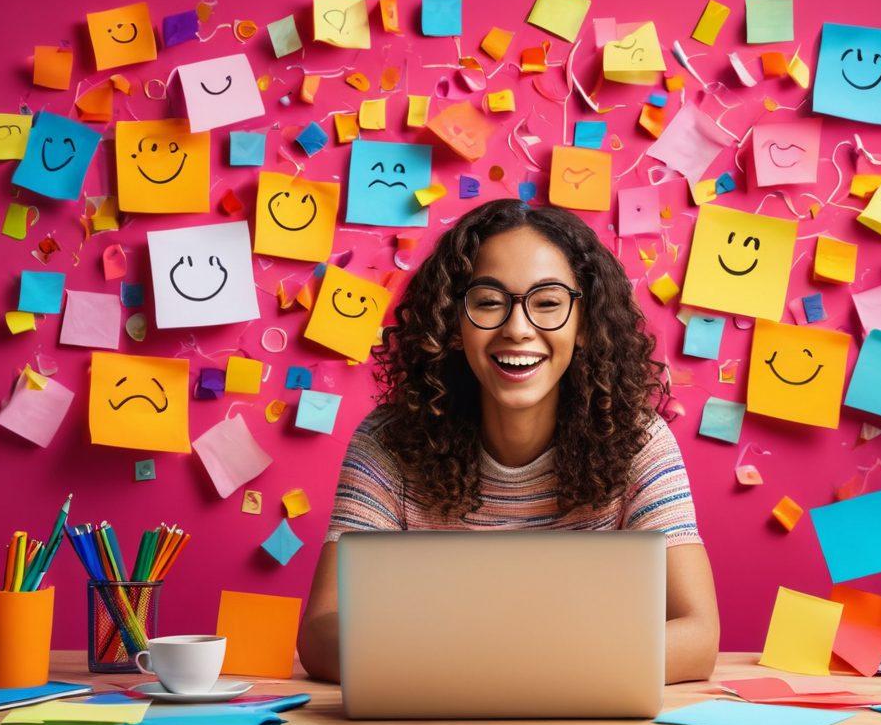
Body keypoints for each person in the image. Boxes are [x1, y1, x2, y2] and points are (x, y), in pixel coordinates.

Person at [299, 199, 719, 684]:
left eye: (547, 303)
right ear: (452, 323)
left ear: (585, 325)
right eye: (488, 302)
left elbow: (698, 637)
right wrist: (500, 664)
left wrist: (512, 664)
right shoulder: (387, 445)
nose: (518, 329)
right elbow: (321, 634)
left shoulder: (640, 444)